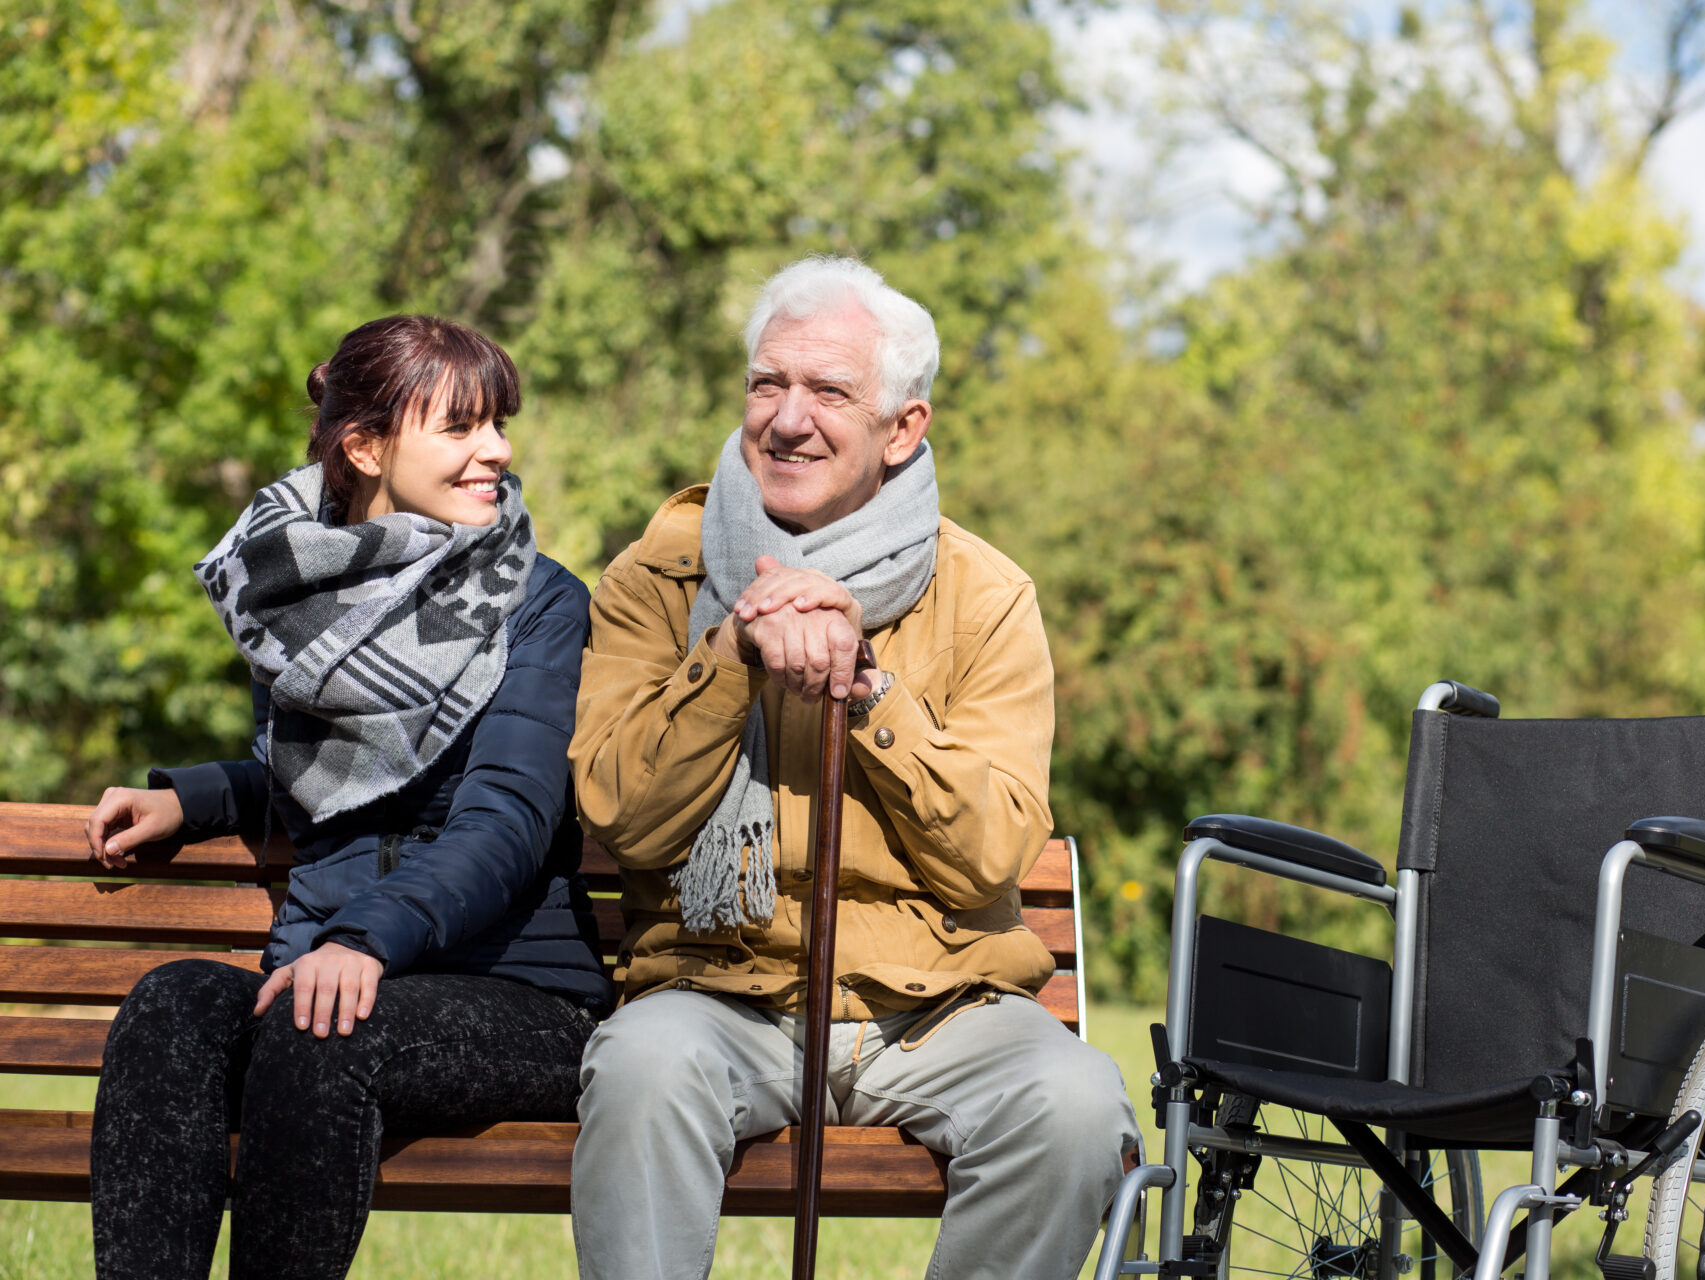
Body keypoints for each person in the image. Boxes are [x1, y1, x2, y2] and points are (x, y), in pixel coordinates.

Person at [568, 256, 1139, 1279]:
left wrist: (871, 695)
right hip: (719, 994)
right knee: (643, 1068)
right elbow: (625, 816)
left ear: (902, 429)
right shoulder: (659, 574)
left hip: (936, 1008)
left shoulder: (986, 595)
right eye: (766, 383)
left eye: (829, 391)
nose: (788, 419)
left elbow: (993, 853)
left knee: (1079, 1102)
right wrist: (733, 653)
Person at [85, 315, 613, 1280]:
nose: (496, 449)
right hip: (330, 975)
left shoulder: (538, 601)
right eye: (460, 427)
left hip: (518, 993)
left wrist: (364, 937)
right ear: (366, 447)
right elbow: (351, 772)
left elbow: (509, 813)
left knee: (321, 1032)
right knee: (171, 1006)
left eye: (497, 422)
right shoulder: (301, 600)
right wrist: (203, 799)